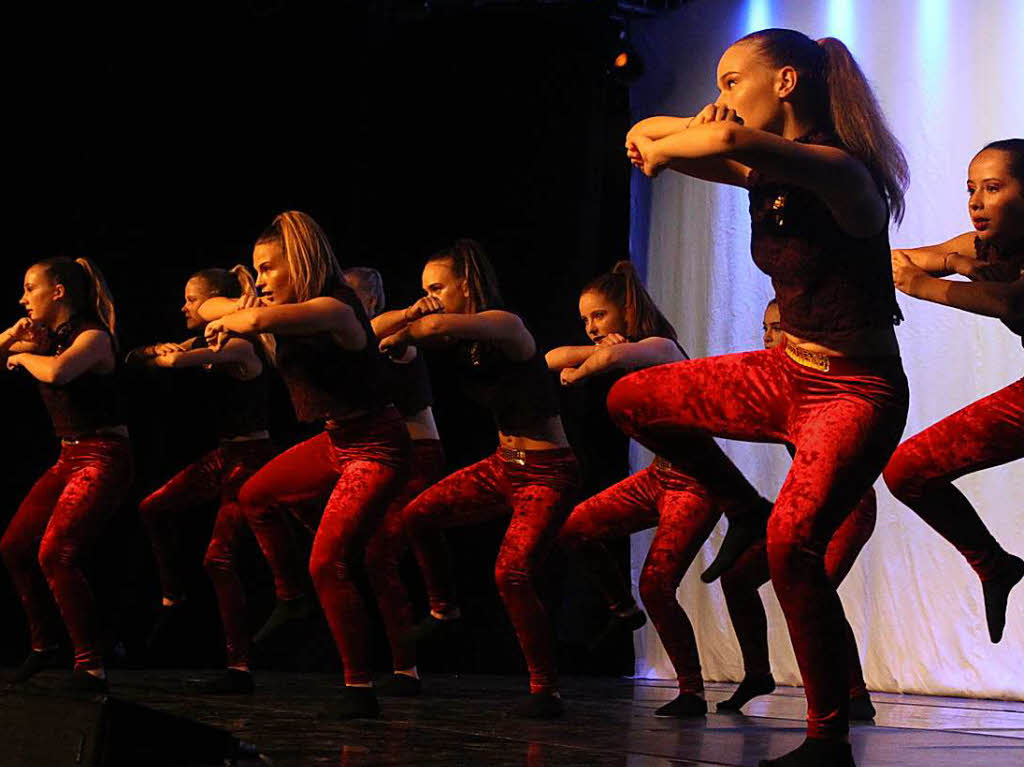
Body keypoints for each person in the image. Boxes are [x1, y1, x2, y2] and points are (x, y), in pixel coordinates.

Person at [622, 28, 910, 766]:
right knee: (633, 397)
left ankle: (827, 736)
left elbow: (673, 147)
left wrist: (682, 142)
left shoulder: (843, 171)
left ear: (785, 83)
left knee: (793, 546)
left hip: (854, 392)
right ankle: (740, 505)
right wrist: (681, 136)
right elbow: (641, 132)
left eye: (730, 82)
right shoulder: (763, 168)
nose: (720, 98)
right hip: (785, 376)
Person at [203, 211, 409, 718]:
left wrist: (234, 315)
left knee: (327, 562)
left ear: (301, 262)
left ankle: (359, 689)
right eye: (259, 272)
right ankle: (290, 596)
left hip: (377, 446)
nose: (265, 281)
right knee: (254, 495)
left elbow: (245, 318)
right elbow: (230, 314)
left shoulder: (336, 308)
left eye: (271, 269)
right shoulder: (292, 315)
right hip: (335, 442)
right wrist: (237, 314)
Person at [379, 239, 579, 718]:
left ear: (465, 285)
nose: (428, 296)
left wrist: (417, 320)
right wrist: (409, 312)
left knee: (510, 574)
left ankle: (545, 690)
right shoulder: (461, 338)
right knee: (417, 515)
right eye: (424, 288)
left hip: (548, 473)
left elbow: (432, 324)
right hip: (502, 465)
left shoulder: (503, 324)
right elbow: (378, 336)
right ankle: (444, 609)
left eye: (436, 287)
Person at [886, 138, 1024, 644]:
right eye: (971, 189)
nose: (976, 201)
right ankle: (995, 565)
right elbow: (899, 261)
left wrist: (929, 286)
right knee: (907, 470)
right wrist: (957, 262)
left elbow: (1013, 302)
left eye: (993, 188)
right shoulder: (985, 246)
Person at [717, 299, 877, 720]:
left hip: (847, 505)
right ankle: (757, 674)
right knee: (737, 579)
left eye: (777, 327)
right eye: (764, 328)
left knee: (812, 587)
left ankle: (853, 694)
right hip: (808, 504)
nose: (768, 336)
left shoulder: (820, 378)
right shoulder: (779, 380)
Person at [129, 265, 276, 693]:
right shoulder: (215, 339)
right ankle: (173, 596)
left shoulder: (243, 346)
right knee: (152, 507)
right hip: (224, 455)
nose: (184, 306)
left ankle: (240, 667)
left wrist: (173, 351)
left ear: (213, 302)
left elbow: (173, 362)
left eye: (192, 300)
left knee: (219, 558)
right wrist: (157, 347)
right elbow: (137, 360)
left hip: (252, 458)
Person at [1, 257, 133, 692]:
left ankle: (91, 665)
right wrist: (11, 338)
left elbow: (58, 371)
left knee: (55, 553)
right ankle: (46, 646)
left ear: (57, 292)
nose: (23, 298)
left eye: (29, 288)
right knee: (15, 545)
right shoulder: (48, 337)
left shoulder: (93, 336)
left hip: (104, 456)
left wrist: (21, 356)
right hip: (68, 457)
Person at [342, 266, 446, 696]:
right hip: (380, 456)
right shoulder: (349, 342)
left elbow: (379, 334)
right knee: (367, 554)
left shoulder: (394, 340)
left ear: (370, 302)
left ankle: (408, 665)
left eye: (350, 300)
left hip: (417, 457)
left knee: (381, 554)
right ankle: (403, 659)